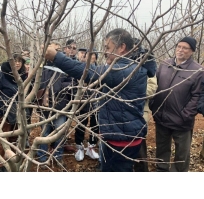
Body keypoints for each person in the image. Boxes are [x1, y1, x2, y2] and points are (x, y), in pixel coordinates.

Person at [45, 28, 156, 171]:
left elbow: (89, 72)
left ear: (122, 47)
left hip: (121, 141)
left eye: (107, 47)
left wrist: (56, 56)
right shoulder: (129, 66)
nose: (104, 52)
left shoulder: (127, 70)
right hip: (116, 135)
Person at [150, 36, 203, 172]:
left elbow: (197, 95)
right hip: (161, 116)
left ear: (191, 51)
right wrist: (154, 107)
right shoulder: (164, 64)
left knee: (182, 154)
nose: (180, 50)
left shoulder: (197, 71)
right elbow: (154, 85)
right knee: (162, 148)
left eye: (185, 48)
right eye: (179, 46)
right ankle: (161, 170)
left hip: (181, 120)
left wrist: (185, 115)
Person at [0, 53, 27, 171]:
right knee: (3, 141)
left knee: (15, 140)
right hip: (4, 112)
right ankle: (2, 165)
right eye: (15, 61)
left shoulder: (24, 76)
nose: (17, 63)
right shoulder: (1, 75)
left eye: (20, 61)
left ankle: (13, 163)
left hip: (19, 114)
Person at [35, 42, 71, 167]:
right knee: (45, 133)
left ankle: (58, 157)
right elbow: (37, 82)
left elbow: (71, 82)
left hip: (60, 106)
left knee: (59, 134)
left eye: (57, 49)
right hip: (45, 107)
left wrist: (61, 87)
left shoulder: (65, 65)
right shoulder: (42, 65)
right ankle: (42, 157)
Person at [131, 38, 158, 172]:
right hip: (121, 112)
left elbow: (152, 88)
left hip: (141, 111)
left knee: (139, 145)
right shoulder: (121, 61)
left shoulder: (148, 63)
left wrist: (133, 90)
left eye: (135, 47)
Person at [71, 48, 100, 162]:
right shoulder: (80, 69)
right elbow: (73, 84)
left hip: (96, 102)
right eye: (88, 55)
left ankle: (91, 147)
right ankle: (80, 147)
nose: (91, 57)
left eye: (93, 55)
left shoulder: (100, 70)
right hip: (82, 102)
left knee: (95, 125)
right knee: (81, 124)